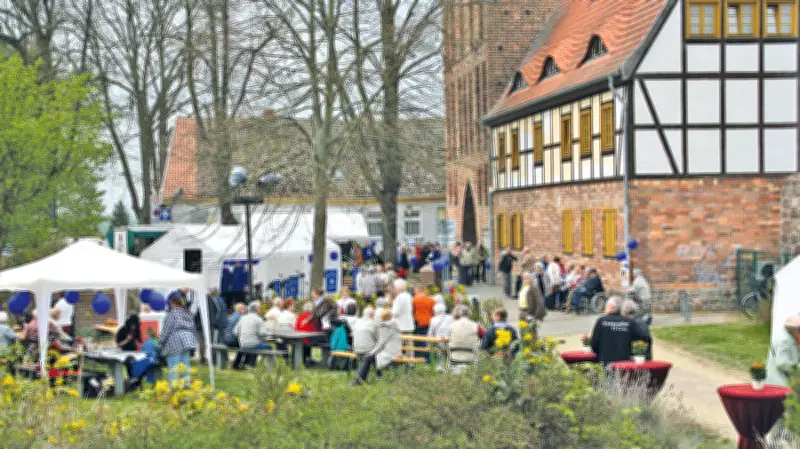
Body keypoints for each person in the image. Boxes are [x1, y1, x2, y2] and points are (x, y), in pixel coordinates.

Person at [589, 296, 646, 367]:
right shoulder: (629, 322)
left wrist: (599, 354)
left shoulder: (601, 321)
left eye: (607, 306)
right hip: (624, 363)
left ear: (611, 307)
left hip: (605, 361)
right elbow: (639, 339)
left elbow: (594, 343)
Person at [349, 310, 402, 385]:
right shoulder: (390, 325)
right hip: (388, 350)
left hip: (391, 352)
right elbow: (380, 341)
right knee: (368, 356)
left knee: (368, 357)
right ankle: (375, 375)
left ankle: (359, 379)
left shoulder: (387, 326)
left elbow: (381, 342)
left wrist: (372, 352)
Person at [159, 292, 197, 386]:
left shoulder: (172, 314)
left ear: (172, 302)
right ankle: (186, 388)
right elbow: (193, 329)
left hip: (175, 341)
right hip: (188, 341)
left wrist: (160, 343)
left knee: (174, 367)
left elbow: (166, 330)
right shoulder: (188, 313)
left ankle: (174, 389)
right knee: (186, 367)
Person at [234, 301, 271, 367]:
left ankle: (251, 365)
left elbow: (235, 332)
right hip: (253, 345)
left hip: (242, 345)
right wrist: (269, 332)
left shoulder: (242, 318)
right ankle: (268, 367)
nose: (260, 309)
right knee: (268, 347)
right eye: (259, 308)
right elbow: (263, 333)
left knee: (256, 343)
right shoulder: (259, 319)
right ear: (257, 309)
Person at [766, 315, 800, 387]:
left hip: (781, 381)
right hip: (779, 384)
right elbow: (782, 364)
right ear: (797, 330)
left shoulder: (788, 337)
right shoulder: (784, 341)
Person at [448, 305, 482, 371]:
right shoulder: (476, 325)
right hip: (470, 357)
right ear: (470, 314)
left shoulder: (451, 325)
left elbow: (449, 337)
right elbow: (483, 336)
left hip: (454, 356)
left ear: (460, 314)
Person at [412, 286, 435, 360]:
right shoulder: (431, 300)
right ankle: (430, 355)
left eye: (415, 291)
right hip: (429, 321)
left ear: (418, 290)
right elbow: (433, 311)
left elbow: (412, 311)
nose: (414, 292)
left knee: (422, 339)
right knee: (428, 338)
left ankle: (426, 357)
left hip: (419, 322)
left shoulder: (414, 300)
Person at [295, 302, 321, 366]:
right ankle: (308, 359)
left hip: (300, 338)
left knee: (305, 342)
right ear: (312, 309)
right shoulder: (312, 317)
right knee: (309, 341)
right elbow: (316, 328)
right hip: (310, 339)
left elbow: (296, 327)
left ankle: (305, 359)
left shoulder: (299, 316)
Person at [223, 303, 247, 370]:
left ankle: (237, 365)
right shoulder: (241, 317)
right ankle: (237, 365)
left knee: (243, 345)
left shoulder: (232, 315)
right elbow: (239, 331)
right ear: (241, 309)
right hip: (232, 340)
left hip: (225, 339)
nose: (246, 310)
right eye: (244, 308)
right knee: (246, 346)